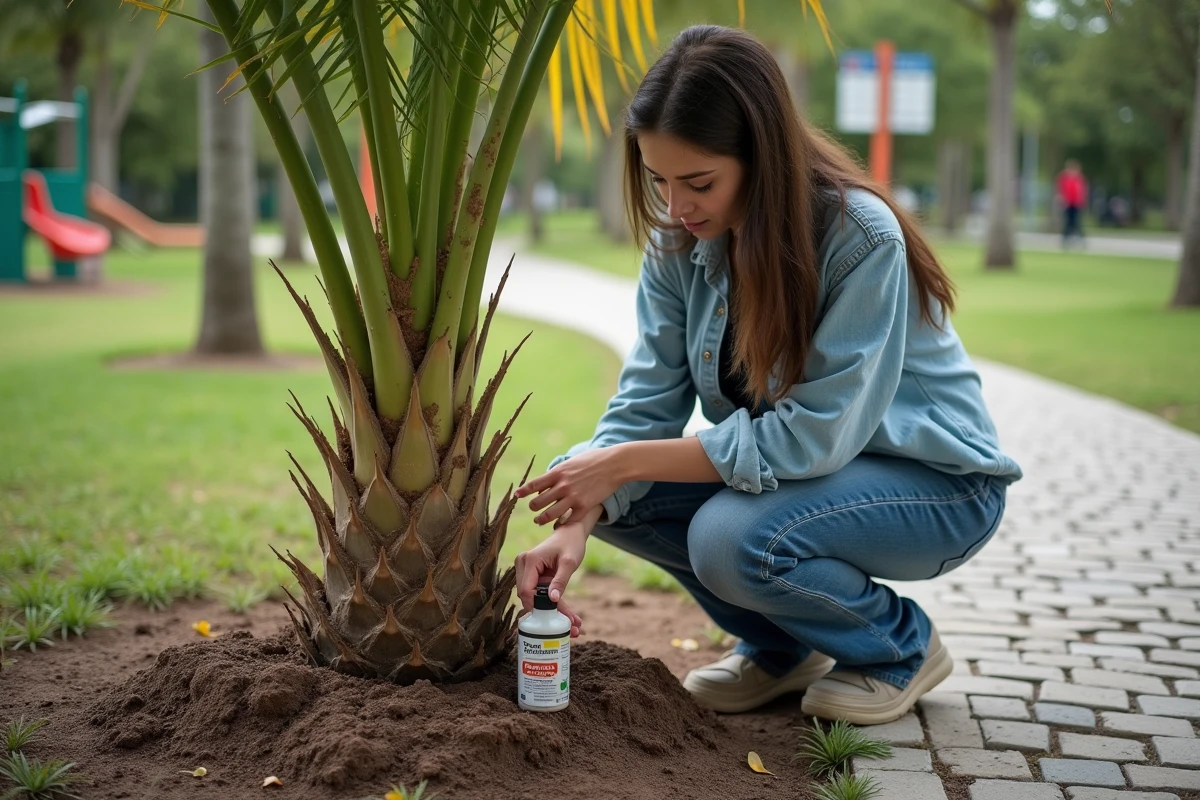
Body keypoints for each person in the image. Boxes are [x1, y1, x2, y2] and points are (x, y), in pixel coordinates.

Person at [511, 24, 1022, 726]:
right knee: (587, 472)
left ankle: (898, 647)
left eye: (699, 182)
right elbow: (644, 401)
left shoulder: (860, 238)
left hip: (935, 487)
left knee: (728, 535)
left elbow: (814, 438)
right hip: (812, 485)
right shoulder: (679, 243)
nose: (676, 206)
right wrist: (579, 517)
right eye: (658, 179)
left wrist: (620, 466)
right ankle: (784, 647)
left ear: (763, 157)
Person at [1056, 159, 1088, 248]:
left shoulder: (1079, 178)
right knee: (1068, 222)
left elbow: (1081, 191)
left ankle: (1080, 239)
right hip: (1068, 203)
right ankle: (1066, 239)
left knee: (1076, 222)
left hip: (1076, 204)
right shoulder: (1064, 178)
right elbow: (1061, 190)